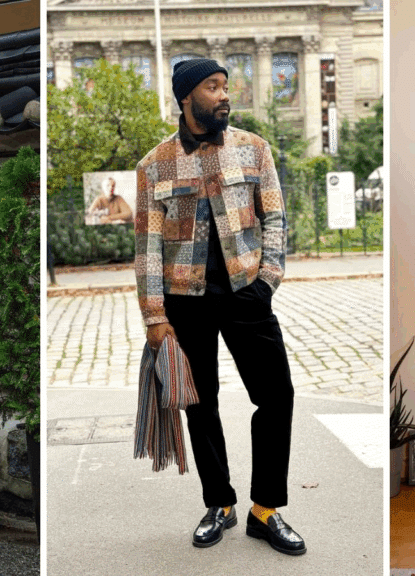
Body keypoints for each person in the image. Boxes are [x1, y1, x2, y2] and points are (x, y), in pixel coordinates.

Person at [134, 58, 304, 556]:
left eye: (226, 86)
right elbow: (146, 248)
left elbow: (275, 218)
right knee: (199, 404)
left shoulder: (254, 150)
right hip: (184, 303)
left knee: (277, 396)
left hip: (247, 294)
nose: (224, 94)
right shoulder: (155, 165)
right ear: (186, 98)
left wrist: (267, 281)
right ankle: (220, 503)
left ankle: (266, 509)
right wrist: (154, 317)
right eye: (213, 87)